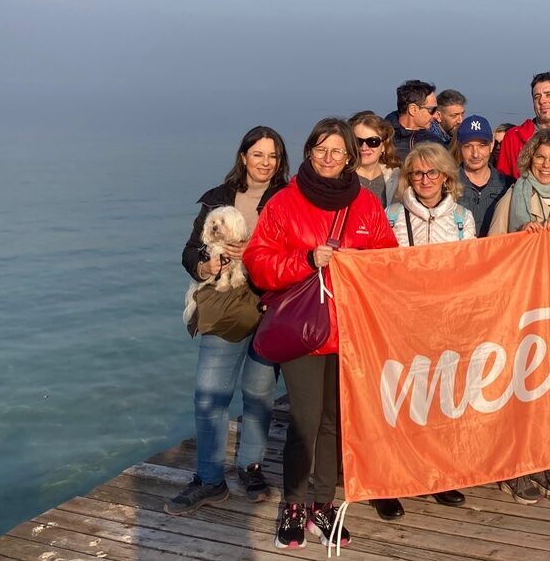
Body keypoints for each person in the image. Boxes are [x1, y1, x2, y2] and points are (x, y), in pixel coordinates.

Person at [245, 118, 398, 548]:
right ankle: (293, 504)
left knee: (335, 423)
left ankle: (322, 506)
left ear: (350, 156)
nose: (329, 159)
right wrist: (308, 260)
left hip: (350, 329)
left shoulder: (365, 204)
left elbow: (387, 259)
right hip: (304, 329)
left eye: (337, 151)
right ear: (309, 151)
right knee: (303, 420)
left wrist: (358, 262)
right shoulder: (283, 202)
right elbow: (258, 263)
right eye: (320, 149)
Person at [166, 127, 289, 517]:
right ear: (243, 157)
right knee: (208, 395)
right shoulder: (217, 199)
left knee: (258, 393)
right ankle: (208, 479)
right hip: (223, 303)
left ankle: (251, 467)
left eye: (272, 156)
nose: (265, 163)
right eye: (258, 154)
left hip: (268, 304)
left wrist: (254, 252)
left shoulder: (287, 199)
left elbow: (294, 249)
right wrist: (204, 264)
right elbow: (189, 251)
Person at [487, 129, 550, 504]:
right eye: (541, 158)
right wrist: (519, 239)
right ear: (529, 159)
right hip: (521, 306)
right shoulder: (512, 196)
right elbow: (491, 251)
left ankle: (543, 458)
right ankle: (516, 466)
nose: (547, 166)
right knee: (520, 387)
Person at [382, 143, 472, 511]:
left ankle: (438, 473)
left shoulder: (462, 218)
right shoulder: (390, 215)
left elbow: (472, 269)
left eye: (432, 172)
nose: (424, 180)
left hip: (446, 323)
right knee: (398, 401)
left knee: (440, 401)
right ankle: (389, 481)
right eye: (416, 173)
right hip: (401, 323)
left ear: (447, 176)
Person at [495, 71, 550, 179]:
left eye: (549, 95)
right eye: (537, 97)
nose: (542, 101)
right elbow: (502, 182)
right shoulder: (513, 138)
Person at [453, 115, 513, 237]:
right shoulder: (447, 184)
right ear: (459, 148)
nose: (475, 154)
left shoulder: (508, 186)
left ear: (491, 146)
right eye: (468, 146)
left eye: (482, 146)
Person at [348, 111, 400, 209]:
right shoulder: (341, 179)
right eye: (357, 141)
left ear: (384, 146)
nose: (364, 147)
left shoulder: (397, 178)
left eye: (373, 142)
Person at [390, 79, 444, 159]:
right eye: (432, 110)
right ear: (413, 109)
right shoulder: (380, 139)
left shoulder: (436, 143)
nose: (436, 116)